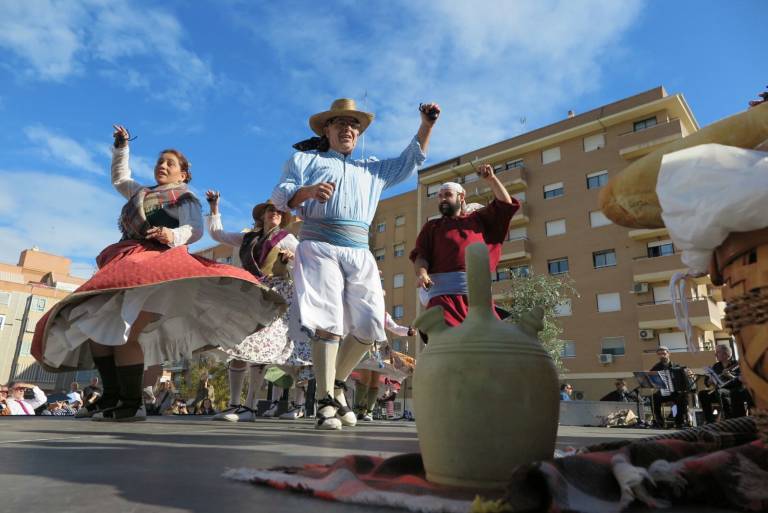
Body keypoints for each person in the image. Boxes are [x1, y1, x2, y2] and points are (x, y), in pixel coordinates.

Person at [31, 124, 284, 423]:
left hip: (157, 271)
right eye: (159, 162)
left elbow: (195, 230)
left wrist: (171, 234)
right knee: (97, 332)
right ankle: (111, 397)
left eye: (170, 163)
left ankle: (132, 403)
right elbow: (119, 178)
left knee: (126, 334)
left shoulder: (184, 198)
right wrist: (122, 147)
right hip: (127, 265)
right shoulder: (141, 192)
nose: (162, 166)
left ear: (184, 174)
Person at [271, 98, 439, 430]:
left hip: (359, 250)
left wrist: (427, 125)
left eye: (353, 125)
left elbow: (410, 160)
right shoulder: (305, 159)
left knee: (370, 326)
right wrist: (307, 192)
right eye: (340, 123)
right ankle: (324, 401)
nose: (348, 129)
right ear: (327, 130)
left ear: (358, 134)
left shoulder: (372, 169)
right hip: (319, 244)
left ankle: (335, 383)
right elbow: (280, 195)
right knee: (328, 320)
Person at [205, 191, 310, 422]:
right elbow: (217, 234)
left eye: (279, 212)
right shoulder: (247, 238)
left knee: (260, 348)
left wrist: (290, 258)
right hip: (251, 293)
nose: (275, 213)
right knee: (238, 345)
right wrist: (214, 209)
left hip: (277, 298)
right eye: (270, 210)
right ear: (262, 215)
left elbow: (304, 264)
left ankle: (252, 406)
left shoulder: (287, 239)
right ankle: (236, 405)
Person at [410, 164, 519, 331]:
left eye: (447, 195)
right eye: (439, 196)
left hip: (477, 297)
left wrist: (491, 179)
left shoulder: (478, 219)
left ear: (461, 197)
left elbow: (505, 205)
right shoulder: (431, 227)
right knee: (445, 337)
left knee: (490, 341)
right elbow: (421, 256)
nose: (443, 199)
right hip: (442, 297)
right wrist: (422, 274)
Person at [354, 311, 415, 422]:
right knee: (365, 378)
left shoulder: (383, 314)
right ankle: (358, 410)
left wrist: (408, 331)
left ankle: (369, 411)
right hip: (364, 345)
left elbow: (395, 328)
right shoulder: (363, 308)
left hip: (379, 349)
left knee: (374, 380)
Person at [698, 344, 752, 423]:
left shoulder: (738, 364)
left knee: (721, 392)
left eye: (718, 352)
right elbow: (706, 382)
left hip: (734, 390)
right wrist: (709, 381)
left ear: (726, 353)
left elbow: (742, 380)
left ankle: (727, 419)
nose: (715, 354)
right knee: (702, 394)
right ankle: (709, 421)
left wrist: (731, 376)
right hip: (719, 391)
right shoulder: (716, 366)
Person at [649, 346, 690, 428]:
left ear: (669, 354)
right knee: (654, 397)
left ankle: (679, 422)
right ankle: (659, 422)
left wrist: (688, 374)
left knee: (683, 397)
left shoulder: (676, 366)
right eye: (659, 354)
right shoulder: (655, 368)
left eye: (664, 353)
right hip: (664, 392)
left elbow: (685, 381)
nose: (662, 356)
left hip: (675, 392)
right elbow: (651, 379)